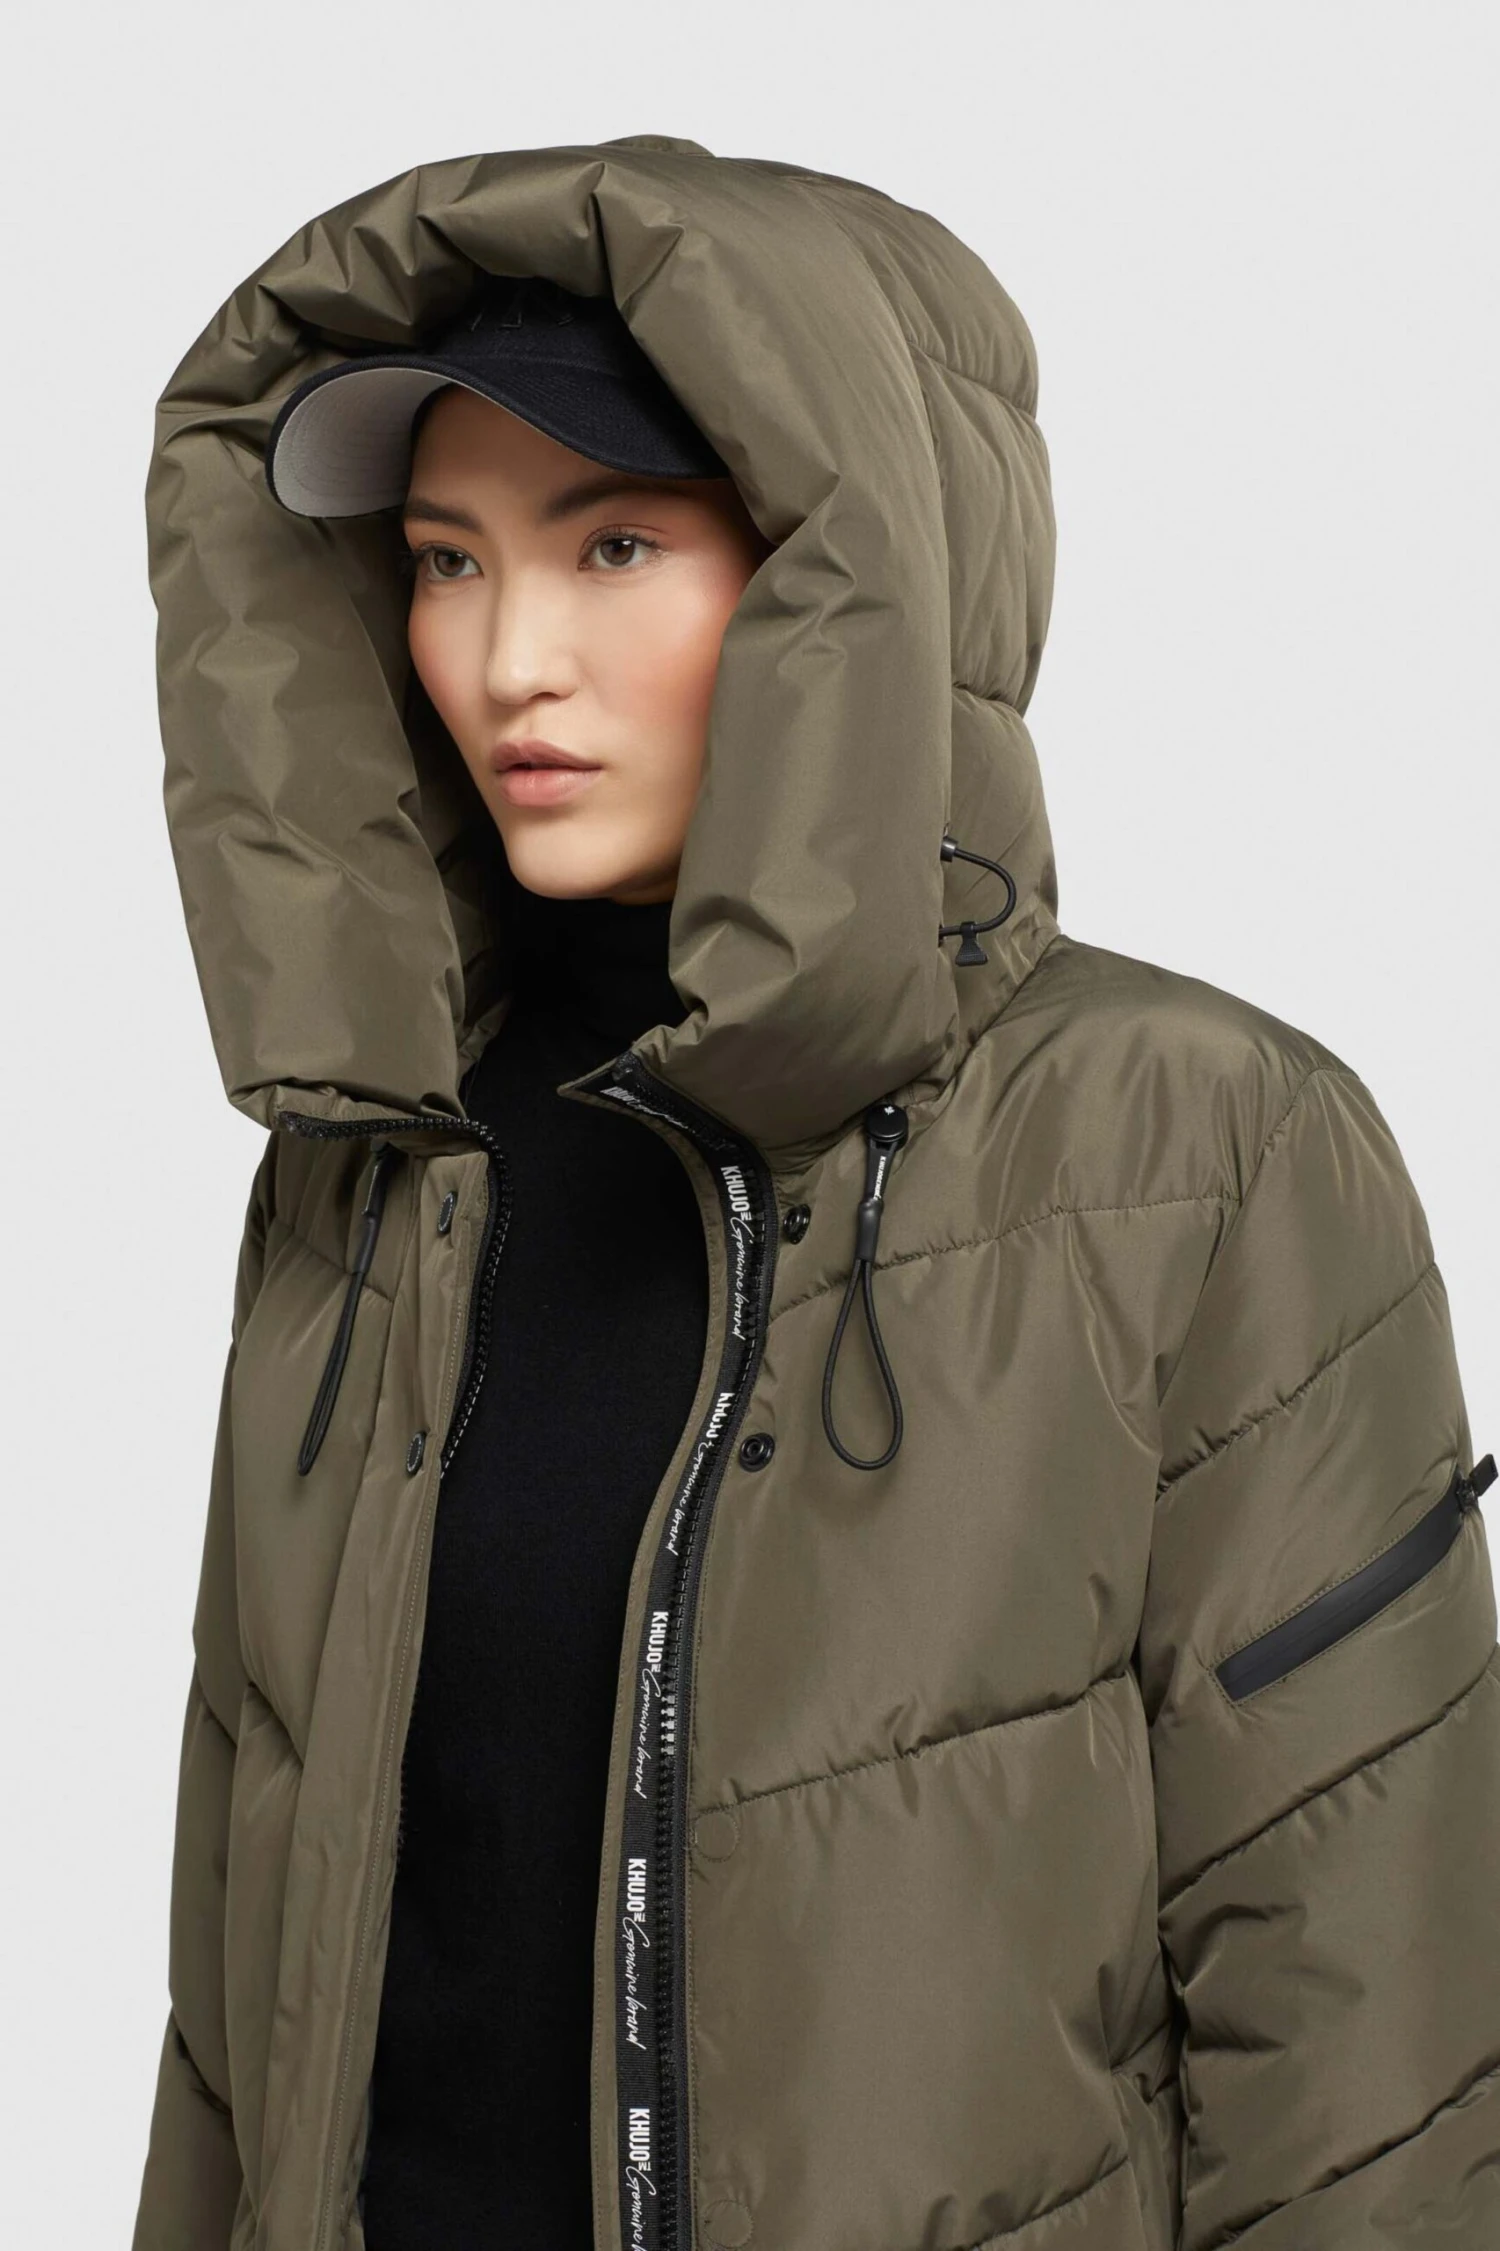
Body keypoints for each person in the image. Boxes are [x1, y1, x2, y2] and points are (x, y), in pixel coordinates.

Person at [132, 136, 1500, 2251]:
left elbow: (1370, 2062)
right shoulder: (375, 1163)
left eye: (614, 544)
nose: (508, 662)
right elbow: (234, 2019)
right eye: (446, 559)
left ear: (856, 584)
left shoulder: (1199, 1152)